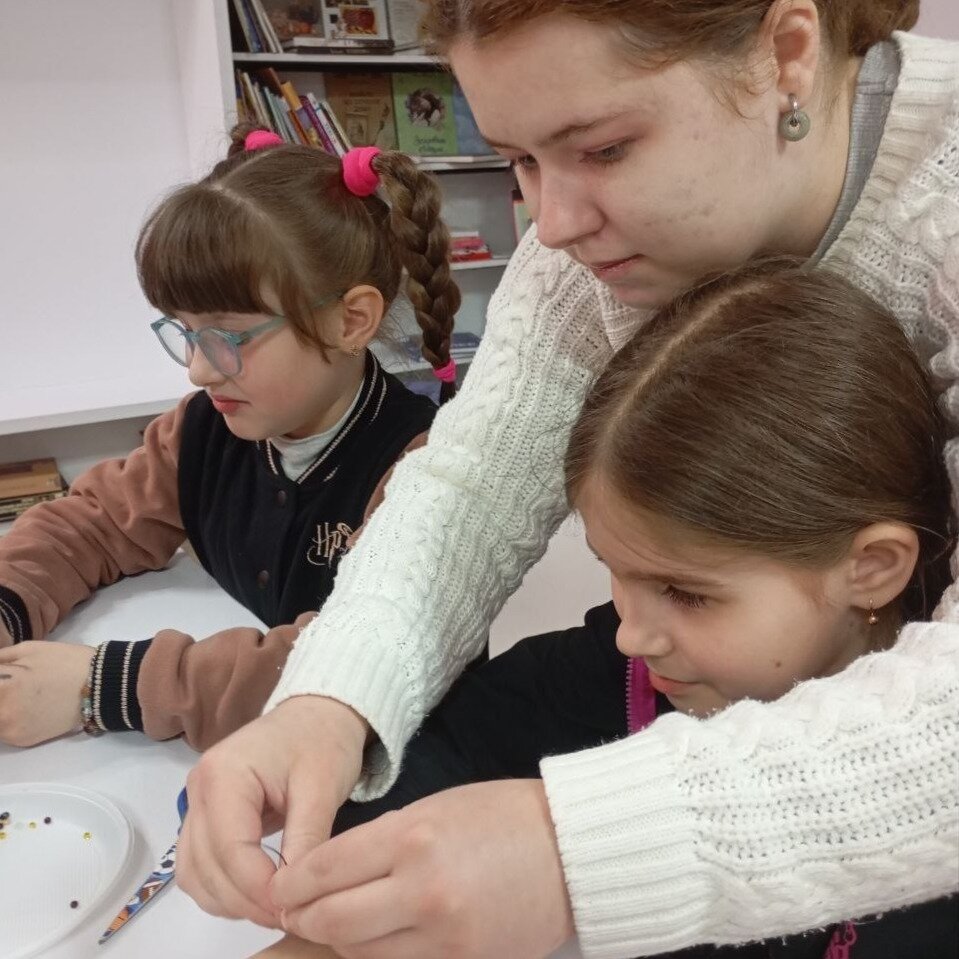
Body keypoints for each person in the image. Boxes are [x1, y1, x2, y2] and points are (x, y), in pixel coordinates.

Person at [176, 1, 959, 955]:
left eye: (603, 149)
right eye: (518, 159)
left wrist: (578, 852)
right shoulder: (590, 250)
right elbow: (467, 490)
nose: (550, 225)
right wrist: (328, 702)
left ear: (787, 54)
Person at [255, 264, 959, 959]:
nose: (632, 633)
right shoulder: (622, 678)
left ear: (870, 568)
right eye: (614, 571)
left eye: (685, 593)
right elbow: (434, 747)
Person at [0, 125, 461, 751]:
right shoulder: (202, 428)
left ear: (351, 321)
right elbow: (93, 525)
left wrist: (108, 684)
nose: (198, 370)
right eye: (185, 332)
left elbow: (357, 662)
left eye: (227, 337)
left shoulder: (422, 470)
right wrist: (9, 600)